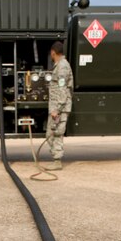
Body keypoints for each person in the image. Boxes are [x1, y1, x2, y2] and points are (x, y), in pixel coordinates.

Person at [46, 41, 73, 171]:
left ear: (53, 52)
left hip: (59, 108)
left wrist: (57, 109)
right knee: (51, 134)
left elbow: (62, 88)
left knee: (55, 134)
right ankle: (56, 158)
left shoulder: (62, 66)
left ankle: (57, 162)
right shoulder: (60, 65)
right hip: (58, 107)